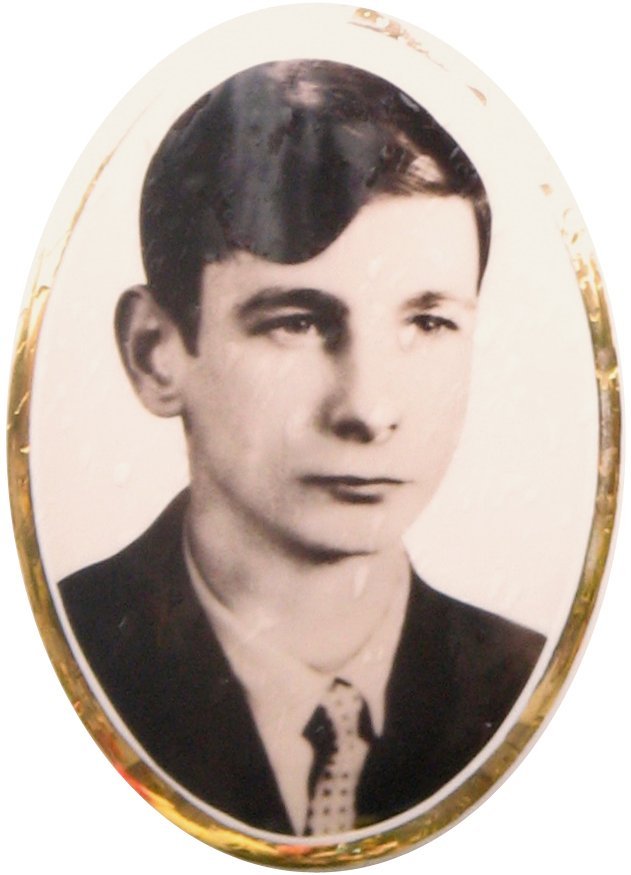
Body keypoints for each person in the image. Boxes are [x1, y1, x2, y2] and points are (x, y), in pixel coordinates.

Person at [60, 60, 545, 837]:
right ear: (156, 352)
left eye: (427, 323)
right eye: (297, 320)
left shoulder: (530, 684)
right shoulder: (56, 664)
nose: (368, 409)